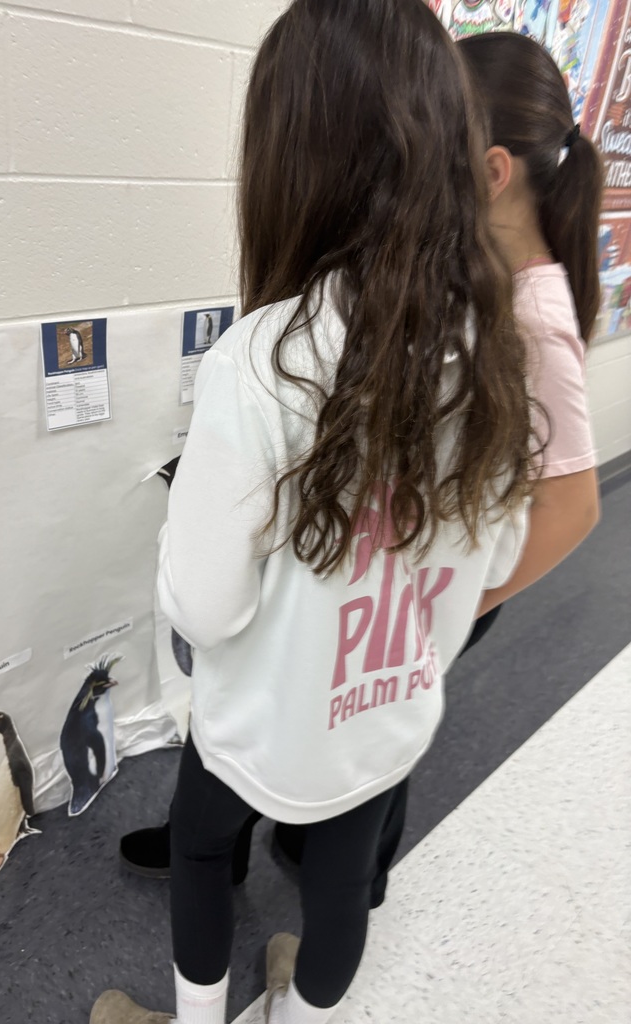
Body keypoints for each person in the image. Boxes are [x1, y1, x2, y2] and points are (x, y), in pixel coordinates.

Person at [91, 3, 537, 1022]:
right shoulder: (494, 346)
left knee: (202, 849)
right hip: (385, 721)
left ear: (292, 155)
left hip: (257, 728)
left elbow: (205, 608)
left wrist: (179, 538)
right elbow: (498, 554)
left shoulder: (261, 356)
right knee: (340, 896)